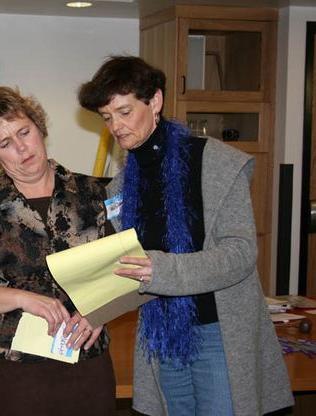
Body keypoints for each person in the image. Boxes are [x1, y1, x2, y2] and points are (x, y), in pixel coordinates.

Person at [78, 56, 294, 415]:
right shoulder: (119, 186)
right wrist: (92, 309)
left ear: (156, 101)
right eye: (107, 117)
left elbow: (240, 253)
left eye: (125, 111)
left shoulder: (217, 164)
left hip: (218, 332)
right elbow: (124, 269)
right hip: (161, 336)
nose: (116, 125)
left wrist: (159, 270)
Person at [0, 86, 117, 416]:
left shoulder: (93, 194)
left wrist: (100, 311)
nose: (22, 148)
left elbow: (123, 270)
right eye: (6, 143)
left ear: (39, 127)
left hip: (83, 372)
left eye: (25, 132)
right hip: (2, 378)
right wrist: (25, 299)